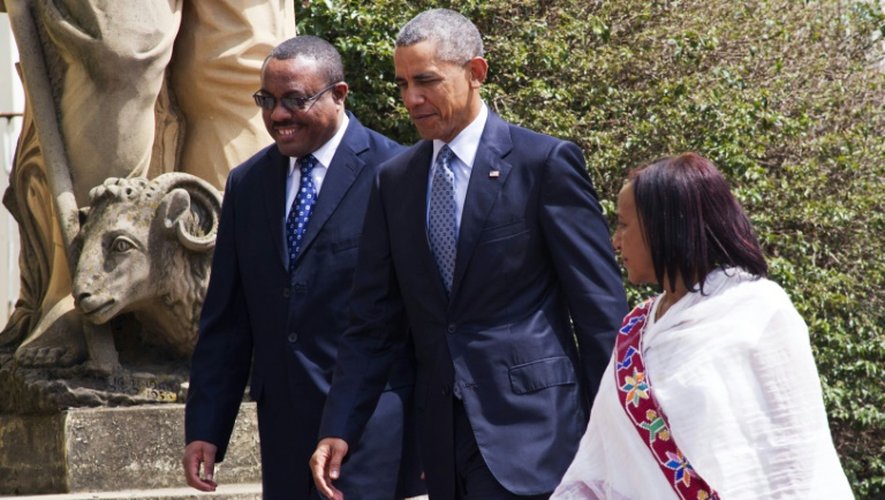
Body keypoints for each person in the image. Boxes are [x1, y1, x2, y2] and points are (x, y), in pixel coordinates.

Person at [311, 9, 628, 500]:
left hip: (537, 436)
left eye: (426, 81)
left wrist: (615, 430)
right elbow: (372, 322)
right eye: (402, 84)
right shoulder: (394, 182)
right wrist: (339, 426)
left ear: (476, 73)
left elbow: (598, 311)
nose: (411, 99)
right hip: (441, 442)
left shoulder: (542, 163)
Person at [182, 36, 423, 500]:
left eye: (295, 100)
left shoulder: (395, 172)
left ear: (339, 95)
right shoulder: (248, 184)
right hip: (285, 433)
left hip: (373, 430)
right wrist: (207, 427)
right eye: (267, 101)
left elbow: (422, 316)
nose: (278, 116)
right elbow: (227, 320)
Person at [552, 152, 853, 499]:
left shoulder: (759, 312)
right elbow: (601, 462)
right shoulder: (637, 328)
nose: (616, 241)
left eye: (623, 224)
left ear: (664, 226)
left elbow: (796, 457)